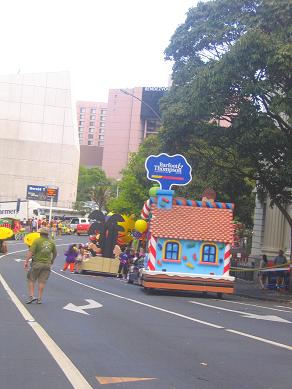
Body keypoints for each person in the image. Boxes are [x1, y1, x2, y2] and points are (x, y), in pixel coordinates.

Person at [24, 227, 57, 304]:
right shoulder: (51, 242)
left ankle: (31, 296)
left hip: (37, 263)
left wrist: (26, 261)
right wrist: (52, 261)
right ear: (47, 234)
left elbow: (30, 252)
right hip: (47, 264)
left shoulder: (37, 241)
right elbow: (55, 253)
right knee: (42, 281)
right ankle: (39, 298)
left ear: (40, 234)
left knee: (31, 279)